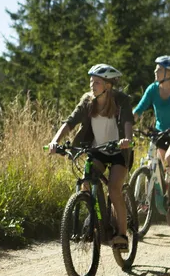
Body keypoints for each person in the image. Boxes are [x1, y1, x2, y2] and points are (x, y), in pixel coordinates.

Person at [48, 64, 134, 250]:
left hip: (119, 151)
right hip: (98, 151)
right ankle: (98, 220)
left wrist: (127, 139)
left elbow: (128, 121)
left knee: (113, 188)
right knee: (86, 181)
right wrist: (55, 141)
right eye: (91, 82)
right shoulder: (88, 102)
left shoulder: (121, 101)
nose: (92, 86)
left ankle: (122, 235)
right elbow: (70, 122)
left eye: (97, 82)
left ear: (108, 85)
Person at [132, 55, 170, 195]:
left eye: (159, 69)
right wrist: (127, 122)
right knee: (153, 166)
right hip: (161, 133)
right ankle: (147, 204)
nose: (155, 71)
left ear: (169, 73)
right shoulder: (152, 89)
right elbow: (139, 110)